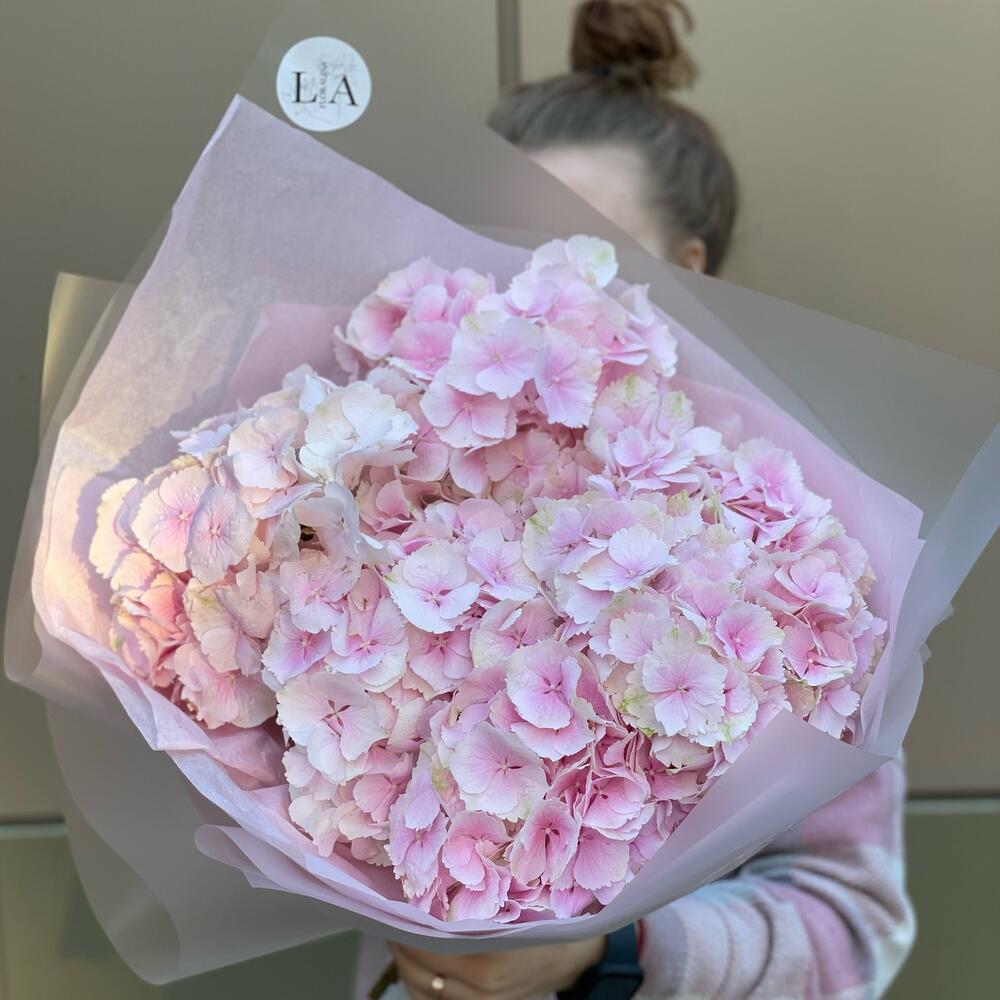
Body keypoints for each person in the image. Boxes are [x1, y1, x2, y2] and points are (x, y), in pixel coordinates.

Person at [366, 2, 915, 996]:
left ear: (687, 276)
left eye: (586, 252)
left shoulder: (806, 558)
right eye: (502, 250)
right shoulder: (394, 506)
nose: (538, 295)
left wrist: (613, 952)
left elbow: (852, 926)